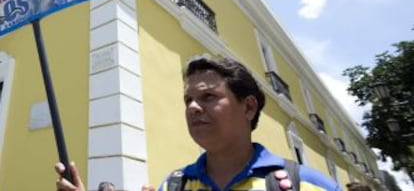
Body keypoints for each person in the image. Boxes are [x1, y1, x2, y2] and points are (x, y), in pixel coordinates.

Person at [55, 56, 342, 191]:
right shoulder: (175, 185)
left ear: (249, 106)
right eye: (188, 99)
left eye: (208, 96)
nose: (193, 107)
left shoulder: (307, 185)